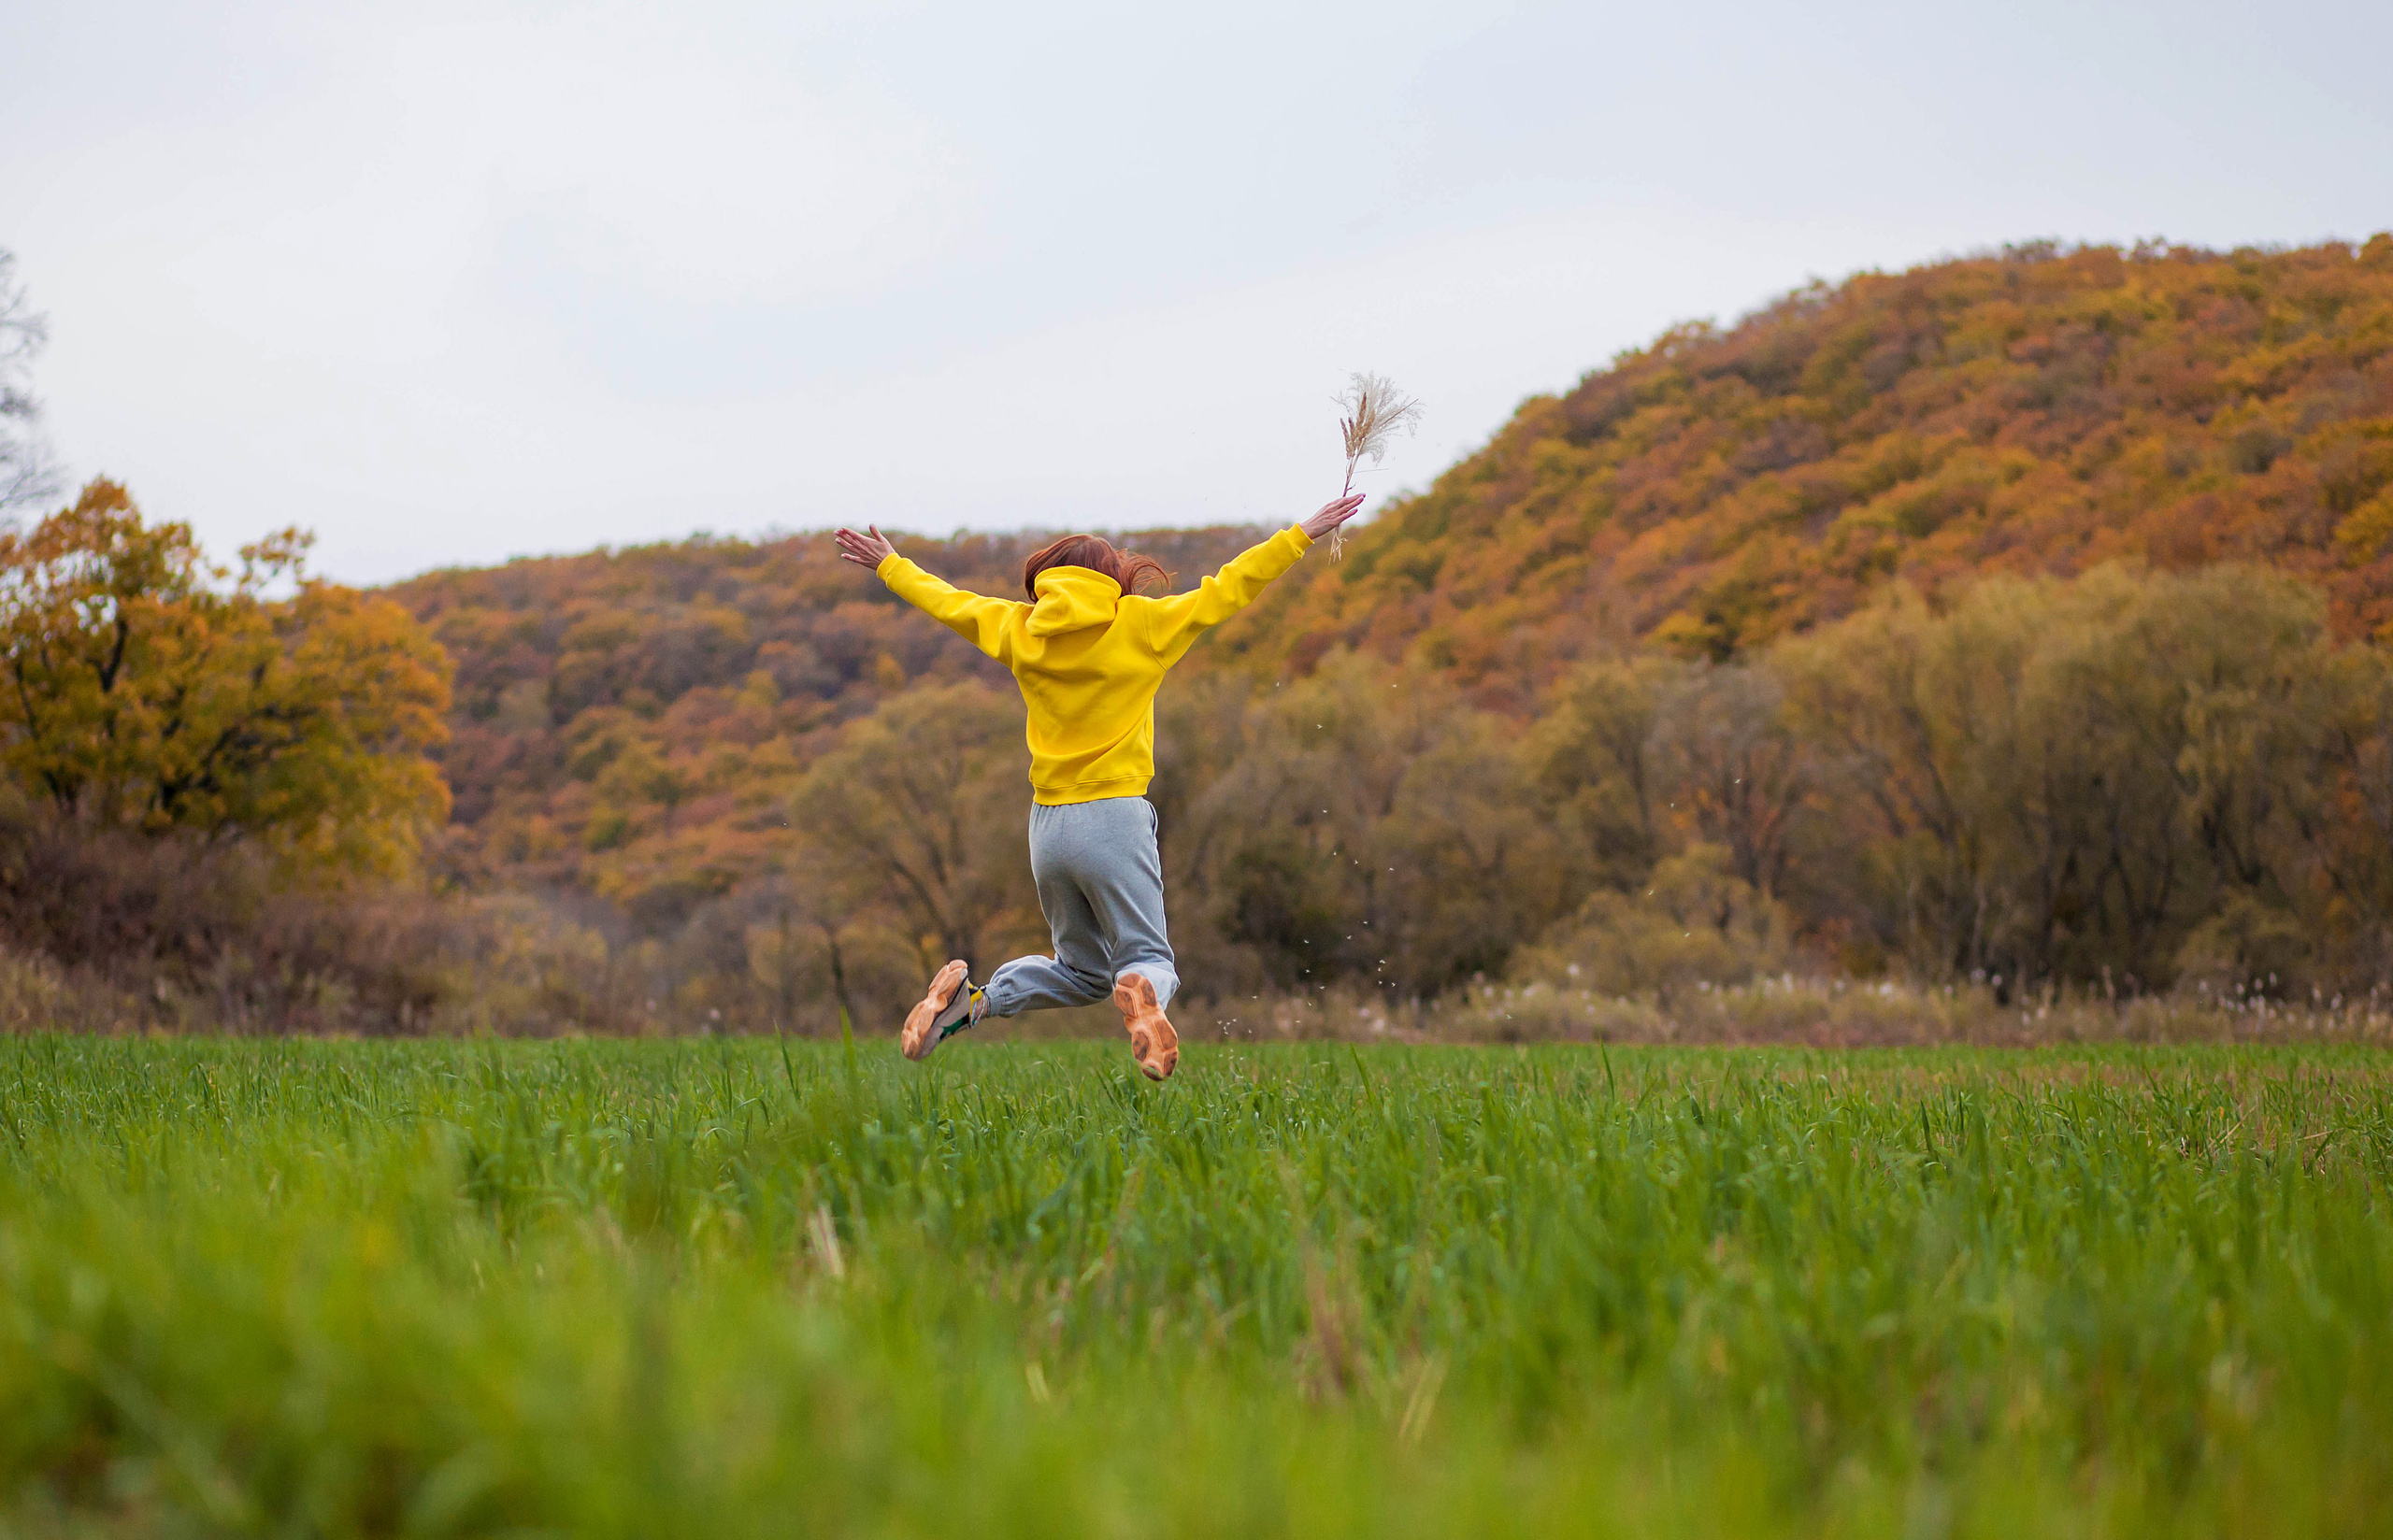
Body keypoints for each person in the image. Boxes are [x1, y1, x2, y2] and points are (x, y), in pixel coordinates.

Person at [831, 492, 1367, 1080]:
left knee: (1082, 971)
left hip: (1047, 830)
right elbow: (1231, 585)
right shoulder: (1143, 625)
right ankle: (1140, 990)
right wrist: (1302, 534)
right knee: (1147, 957)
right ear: (1112, 580)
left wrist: (889, 564)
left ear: (1045, 581)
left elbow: (950, 603)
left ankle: (972, 1003)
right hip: (1113, 817)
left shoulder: (1021, 627)